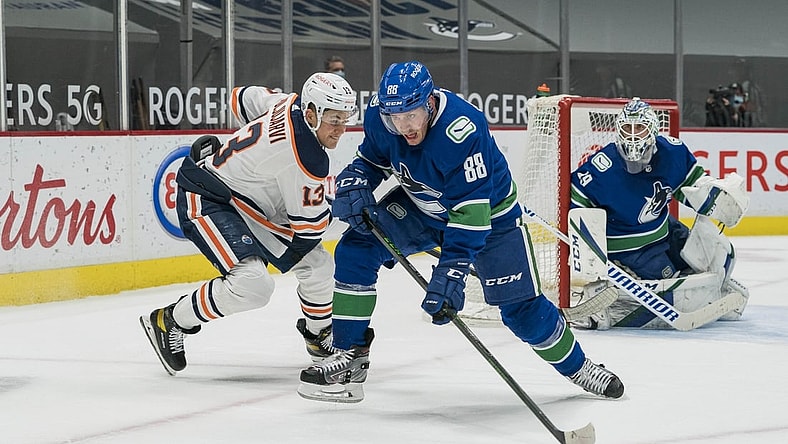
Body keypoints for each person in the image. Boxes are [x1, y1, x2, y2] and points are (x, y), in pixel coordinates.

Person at [297, 60, 624, 403]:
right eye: (396, 117)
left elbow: (471, 217)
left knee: (522, 313)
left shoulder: (463, 130)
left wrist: (450, 274)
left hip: (491, 221)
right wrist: (357, 180)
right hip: (423, 208)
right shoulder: (384, 117)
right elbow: (371, 160)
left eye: (411, 115)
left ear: (429, 102)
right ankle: (350, 357)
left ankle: (580, 368)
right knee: (356, 249)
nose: (404, 126)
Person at [139, 73, 358, 375]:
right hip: (207, 196)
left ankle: (319, 339)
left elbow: (240, 98)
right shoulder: (306, 157)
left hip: (248, 205)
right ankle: (169, 320)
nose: (340, 130)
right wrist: (341, 210)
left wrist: (250, 156)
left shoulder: (289, 102)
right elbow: (309, 230)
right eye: (333, 119)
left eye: (344, 119)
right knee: (253, 285)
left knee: (319, 265)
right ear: (311, 113)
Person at [569, 98, 750, 329]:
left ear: (653, 130)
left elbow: (691, 186)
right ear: (618, 131)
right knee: (674, 290)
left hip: (664, 231)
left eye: (640, 128)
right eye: (627, 128)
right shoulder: (602, 167)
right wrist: (593, 258)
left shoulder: (672, 151)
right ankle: (608, 306)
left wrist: (714, 196)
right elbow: (576, 204)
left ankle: (713, 292)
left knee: (715, 254)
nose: (633, 136)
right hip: (629, 249)